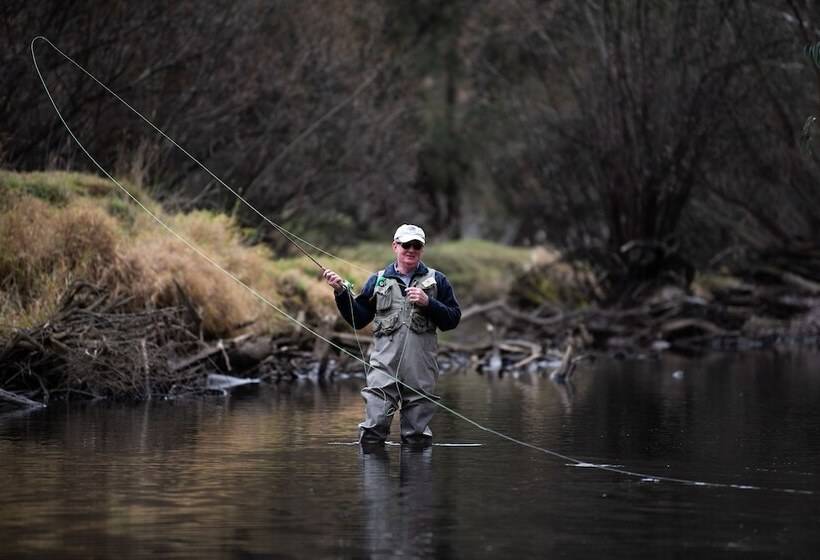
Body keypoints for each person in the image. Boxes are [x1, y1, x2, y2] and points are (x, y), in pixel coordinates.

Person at [323, 224, 461, 446]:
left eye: (417, 245)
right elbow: (358, 320)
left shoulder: (438, 281)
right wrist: (341, 293)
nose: (411, 249)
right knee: (372, 432)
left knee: (416, 438)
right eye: (406, 244)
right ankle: (375, 478)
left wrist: (429, 303)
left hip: (421, 369)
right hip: (383, 368)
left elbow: (453, 319)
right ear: (395, 246)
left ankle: (415, 480)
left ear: (422, 250)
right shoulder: (377, 281)